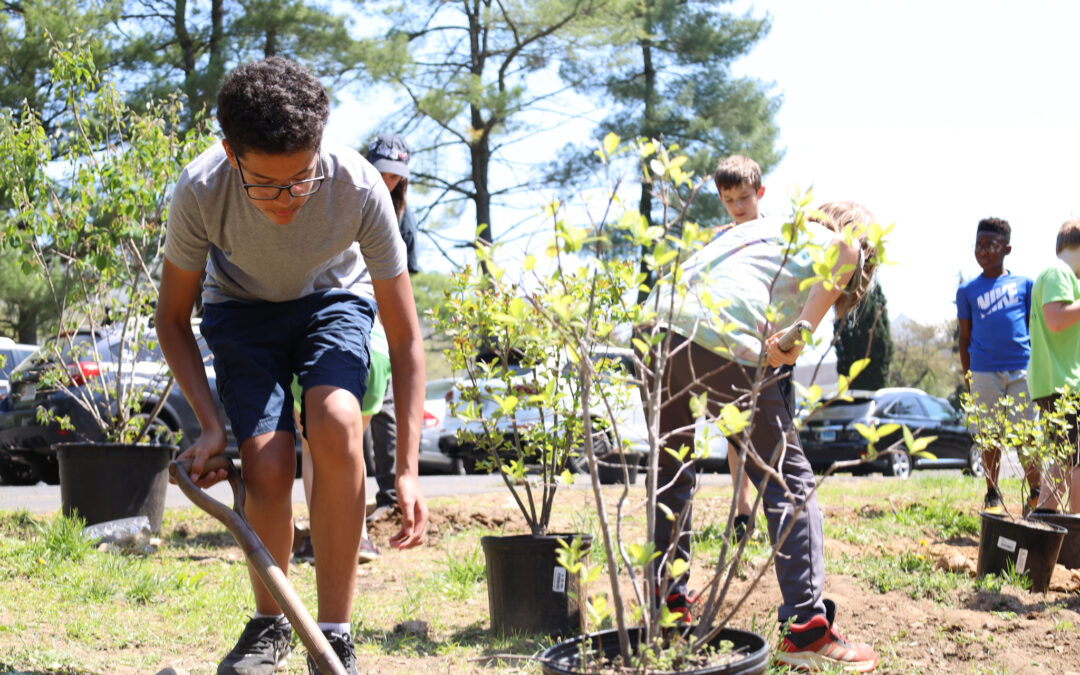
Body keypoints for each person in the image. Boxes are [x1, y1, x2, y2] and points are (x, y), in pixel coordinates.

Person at [156, 56, 429, 675]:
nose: (285, 201)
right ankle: (270, 625)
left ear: (321, 146)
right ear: (231, 153)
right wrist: (209, 424)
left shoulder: (358, 186)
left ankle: (334, 635)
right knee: (267, 462)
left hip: (332, 301)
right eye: (265, 184)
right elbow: (171, 319)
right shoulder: (201, 190)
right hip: (242, 310)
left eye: (300, 180)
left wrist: (408, 470)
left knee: (336, 421)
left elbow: (406, 335)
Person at [650, 201, 880, 672]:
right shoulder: (833, 244)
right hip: (715, 336)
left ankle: (668, 606)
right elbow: (846, 250)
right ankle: (808, 631)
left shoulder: (761, 232)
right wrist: (795, 338)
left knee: (672, 472)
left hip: (656, 326)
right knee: (789, 481)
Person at [956, 217, 1039, 514]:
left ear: (1007, 249)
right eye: (978, 246)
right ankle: (992, 494)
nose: (982, 252)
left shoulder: (1025, 285)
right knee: (990, 436)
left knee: (1027, 435)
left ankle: (1036, 496)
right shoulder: (967, 291)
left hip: (1021, 371)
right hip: (983, 372)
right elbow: (964, 338)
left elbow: (1034, 330)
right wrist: (969, 377)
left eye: (990, 246)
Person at [362, 133, 421, 520]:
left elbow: (405, 285)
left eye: (395, 175)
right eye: (382, 171)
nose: (388, 180)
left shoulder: (404, 217)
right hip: (347, 311)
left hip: (383, 322)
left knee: (382, 408)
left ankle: (388, 496)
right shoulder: (351, 199)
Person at [713, 155, 767, 543]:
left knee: (769, 433)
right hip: (729, 348)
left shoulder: (775, 235)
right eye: (729, 200)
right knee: (734, 432)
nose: (738, 207)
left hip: (772, 350)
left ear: (760, 193)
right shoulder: (720, 238)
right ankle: (742, 508)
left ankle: (777, 509)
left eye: (744, 198)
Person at [1028, 219, 1080, 514]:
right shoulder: (1058, 272)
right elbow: (1056, 319)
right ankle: (1055, 523)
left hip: (1062, 384)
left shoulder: (1063, 277)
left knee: (1069, 459)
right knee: (1068, 459)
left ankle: (1066, 526)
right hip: (1062, 385)